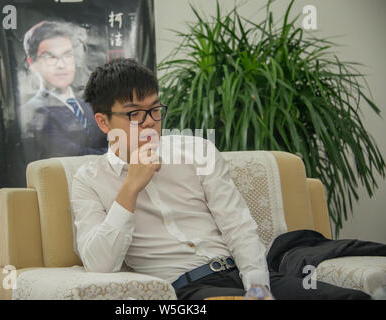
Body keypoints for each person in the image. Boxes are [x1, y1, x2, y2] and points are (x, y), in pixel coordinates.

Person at [71, 58, 380, 300]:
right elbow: (100, 264)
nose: (150, 122)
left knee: (349, 298)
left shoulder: (197, 151)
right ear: (103, 121)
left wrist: (258, 287)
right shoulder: (89, 180)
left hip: (246, 274)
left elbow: (237, 224)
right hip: (188, 290)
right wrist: (130, 187)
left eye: (155, 109)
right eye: (135, 114)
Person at [20, 20, 107, 166]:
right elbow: (74, 155)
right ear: (32, 63)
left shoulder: (88, 104)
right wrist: (116, 155)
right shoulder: (33, 112)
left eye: (67, 55)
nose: (61, 65)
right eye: (50, 57)